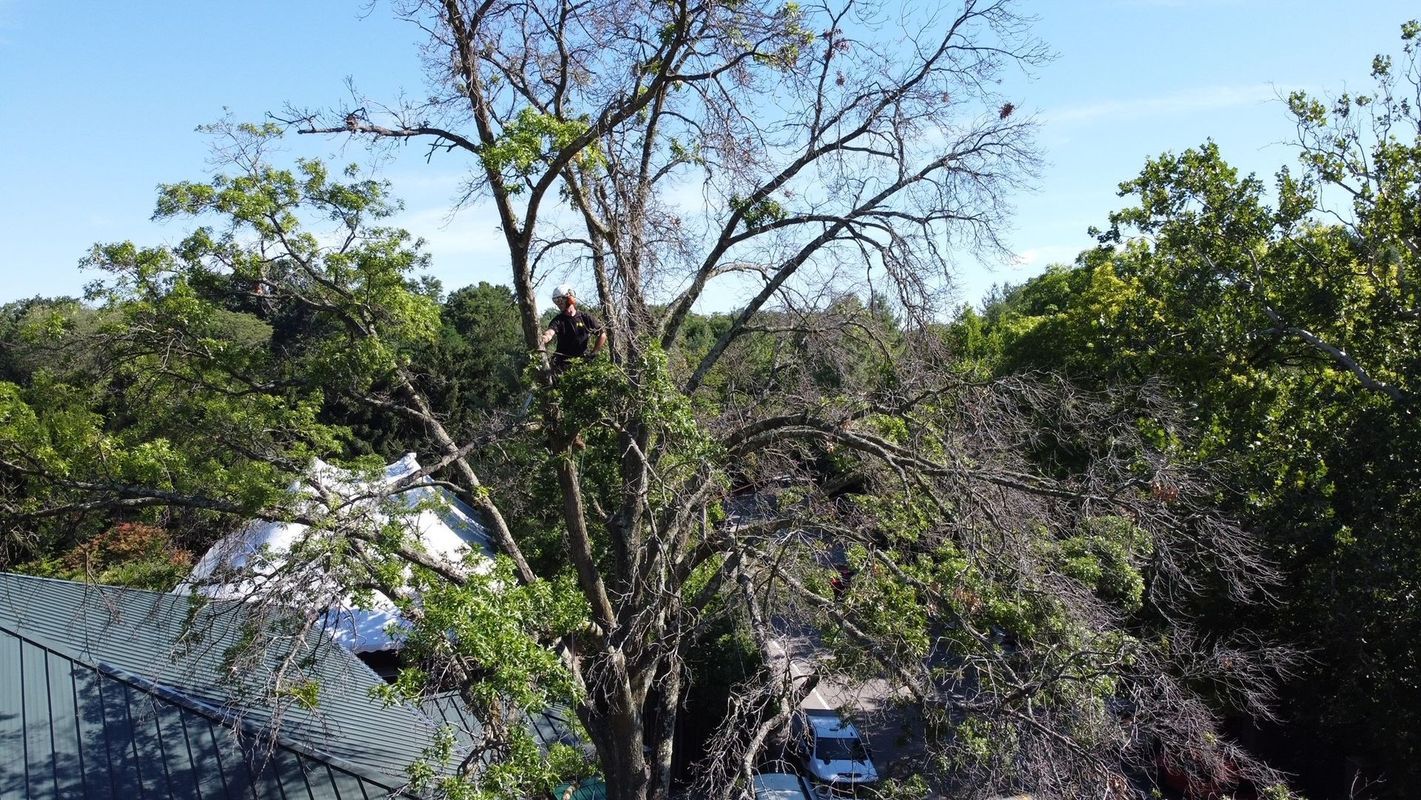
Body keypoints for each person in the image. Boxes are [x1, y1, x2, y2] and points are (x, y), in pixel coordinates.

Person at [540, 284, 606, 372]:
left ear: (569, 298)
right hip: (563, 366)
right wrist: (544, 338)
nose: (558, 304)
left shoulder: (585, 317)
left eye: (560, 300)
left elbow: (602, 334)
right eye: (556, 301)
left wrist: (594, 353)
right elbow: (549, 333)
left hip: (583, 364)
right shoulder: (558, 320)